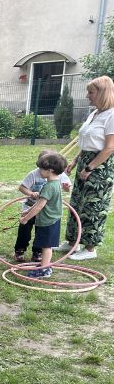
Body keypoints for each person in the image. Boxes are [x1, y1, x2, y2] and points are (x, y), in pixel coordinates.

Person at [57, 75, 114, 261]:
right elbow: (86, 141)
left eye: (91, 92)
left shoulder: (112, 115)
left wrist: (90, 168)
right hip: (85, 160)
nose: (87, 95)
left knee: (93, 206)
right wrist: (75, 161)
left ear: (103, 93)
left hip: (100, 166)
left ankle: (90, 248)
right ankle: (72, 242)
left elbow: (110, 148)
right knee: (77, 202)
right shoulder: (94, 113)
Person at [15, 151, 72, 263]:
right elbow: (38, 203)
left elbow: (40, 206)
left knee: (46, 246)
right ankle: (40, 264)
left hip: (47, 220)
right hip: (51, 218)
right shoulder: (55, 183)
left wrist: (25, 219)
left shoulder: (49, 186)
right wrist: (28, 210)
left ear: (50, 170)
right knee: (45, 244)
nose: (39, 170)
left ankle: (44, 268)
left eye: (41, 168)